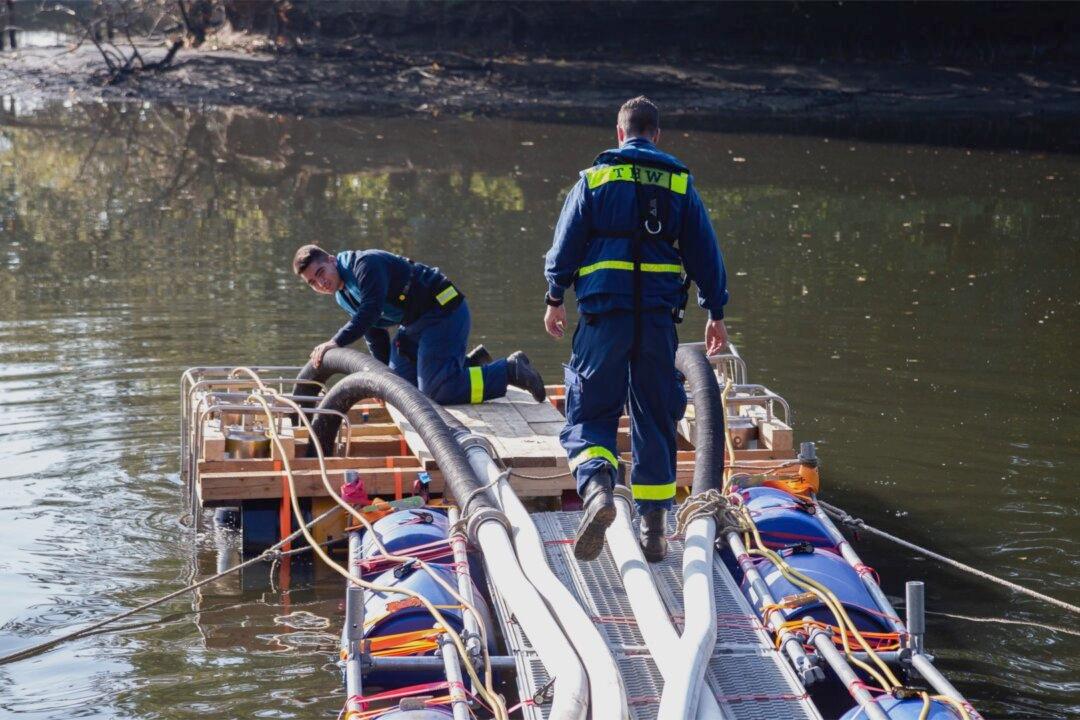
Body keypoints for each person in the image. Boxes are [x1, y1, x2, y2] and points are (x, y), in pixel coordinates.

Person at [543, 96, 729, 562]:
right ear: (657, 135)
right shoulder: (680, 183)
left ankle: (600, 491)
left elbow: (565, 246)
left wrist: (554, 296)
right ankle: (654, 531)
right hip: (658, 320)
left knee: (590, 412)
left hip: (604, 316)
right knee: (656, 416)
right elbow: (706, 253)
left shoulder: (595, 178)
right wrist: (715, 311)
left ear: (620, 133)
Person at [294, 245, 546, 405]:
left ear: (331, 259)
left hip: (443, 312)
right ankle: (471, 364)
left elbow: (369, 311)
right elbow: (375, 333)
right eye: (312, 283)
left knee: (437, 391)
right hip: (414, 325)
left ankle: (509, 371)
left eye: (320, 272)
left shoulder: (365, 266)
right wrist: (382, 380)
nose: (320, 283)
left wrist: (335, 342)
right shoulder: (342, 294)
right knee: (401, 388)